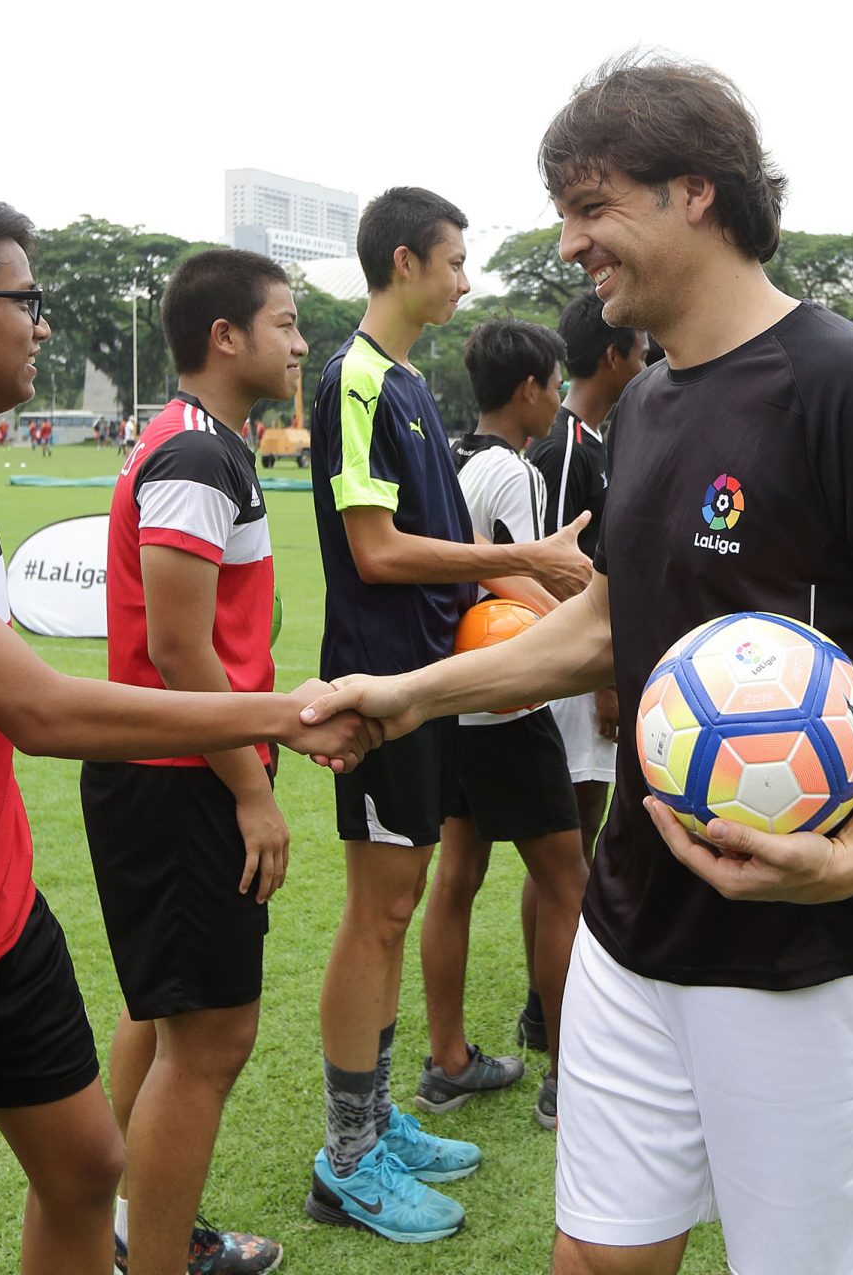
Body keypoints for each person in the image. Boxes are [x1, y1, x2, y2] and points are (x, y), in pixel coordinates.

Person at [304, 55, 853, 1274]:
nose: (571, 239)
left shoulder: (842, 382)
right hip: (632, 922)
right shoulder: (647, 403)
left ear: (698, 192)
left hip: (803, 939)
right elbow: (610, 623)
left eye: (594, 205)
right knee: (597, 1257)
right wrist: (409, 694)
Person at [0, 191, 375, 1275]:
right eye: (25, 300)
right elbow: (38, 708)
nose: (43, 325)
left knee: (88, 1165)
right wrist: (285, 712)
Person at [304, 185, 593, 1245]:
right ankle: (348, 1155)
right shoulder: (356, 380)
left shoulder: (410, 383)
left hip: (424, 686)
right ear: (402, 261)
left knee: (400, 899)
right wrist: (522, 558)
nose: (467, 278)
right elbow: (376, 551)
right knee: (377, 911)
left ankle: (377, 1122)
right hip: (379, 688)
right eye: (455, 259)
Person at [85, 248, 306, 1275]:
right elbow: (179, 650)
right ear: (227, 338)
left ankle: (132, 1225)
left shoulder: (205, 443)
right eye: (287, 322)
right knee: (209, 1039)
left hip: (177, 769)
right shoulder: (193, 453)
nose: (301, 343)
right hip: (182, 778)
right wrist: (252, 790)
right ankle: (154, 1257)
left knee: (165, 1010)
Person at [427, 317, 589, 1132]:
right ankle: (568, 1077)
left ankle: (447, 1059)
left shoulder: (447, 459)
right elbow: (518, 581)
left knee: (455, 879)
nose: (559, 399)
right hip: (504, 702)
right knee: (567, 882)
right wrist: (590, 620)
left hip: (449, 699)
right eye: (555, 384)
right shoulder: (513, 473)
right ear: (528, 390)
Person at [515, 292, 645, 1055]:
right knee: (565, 839)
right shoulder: (567, 448)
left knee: (567, 839)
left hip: (578, 668)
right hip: (568, 673)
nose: (645, 361)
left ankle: (546, 997)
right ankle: (546, 1007)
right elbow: (558, 568)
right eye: (637, 349)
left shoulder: (589, 436)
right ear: (612, 358)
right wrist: (599, 679)